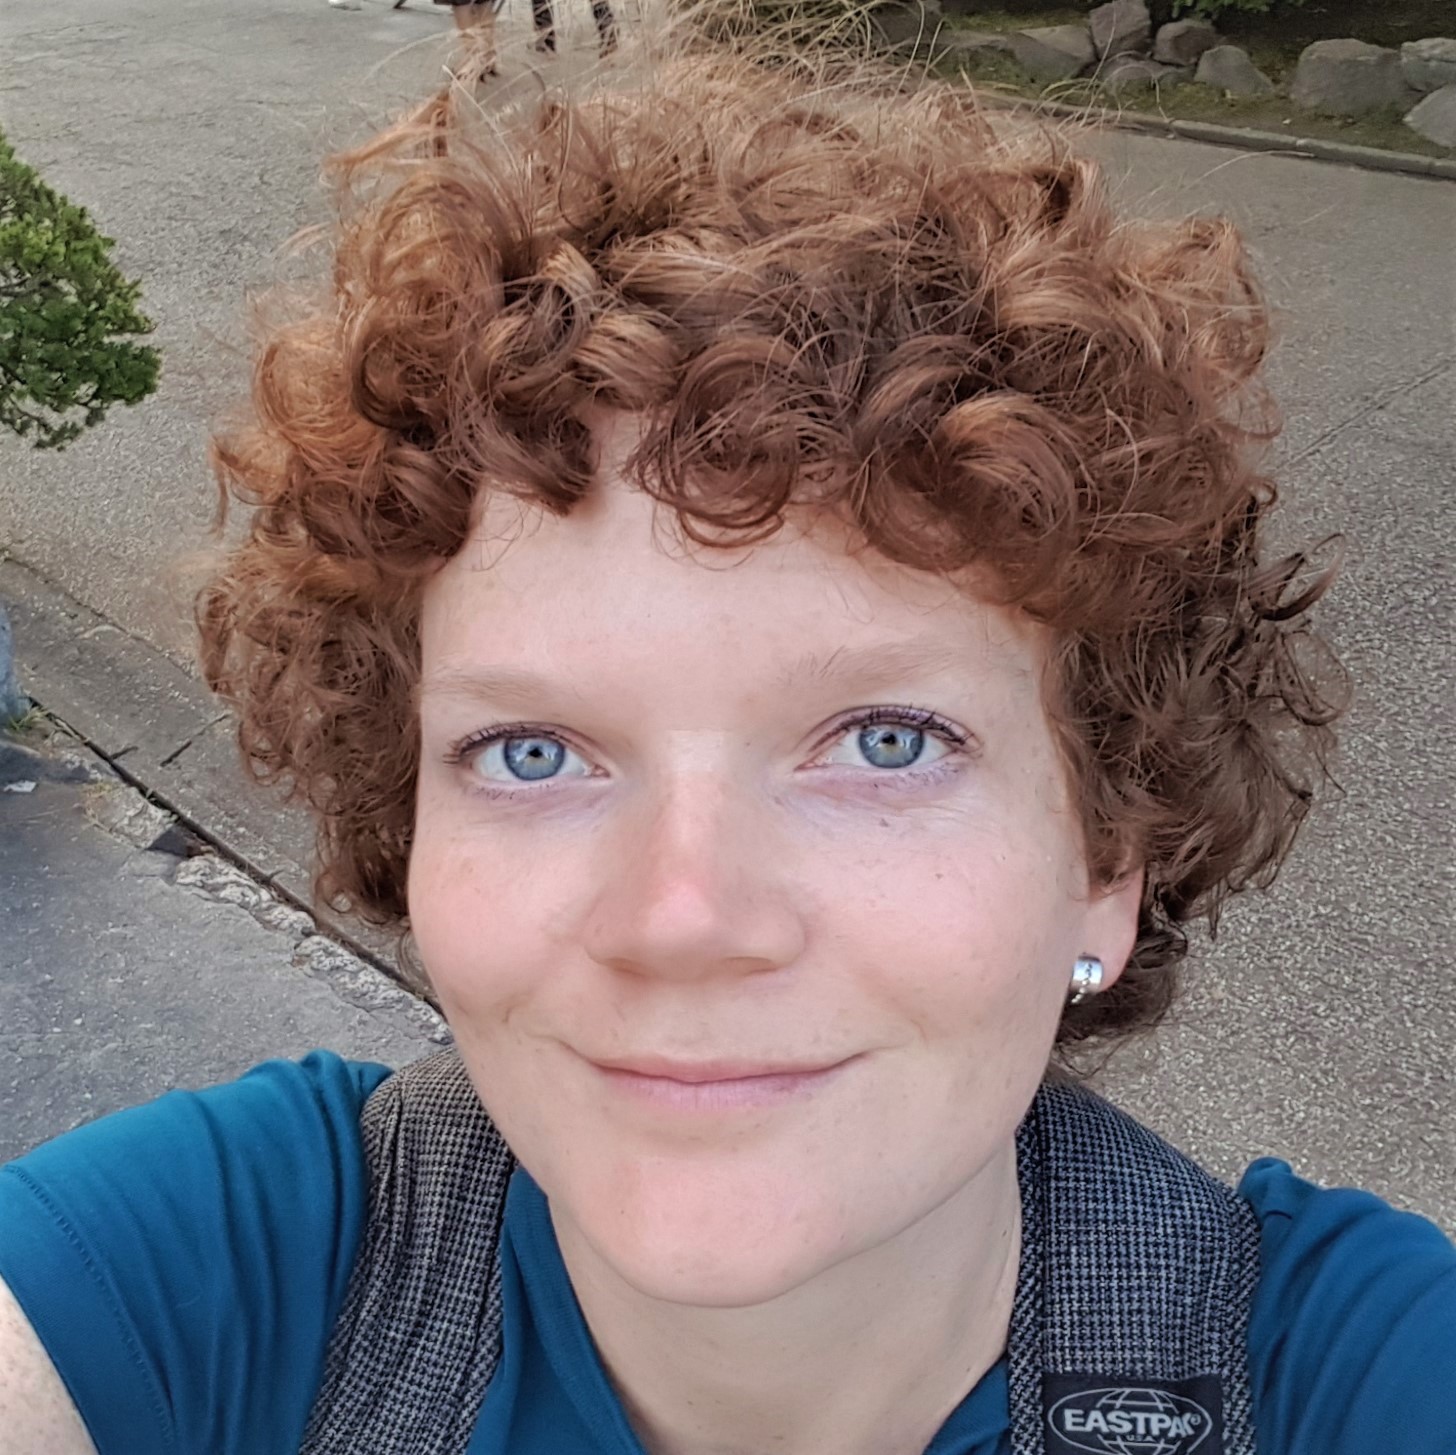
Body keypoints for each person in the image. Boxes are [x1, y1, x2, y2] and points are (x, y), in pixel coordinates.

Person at [2, 38, 1453, 1455]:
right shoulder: (202, 1278)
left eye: (887, 740)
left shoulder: (1359, 1376)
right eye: (529, 752)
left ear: (1106, 860)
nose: (683, 920)